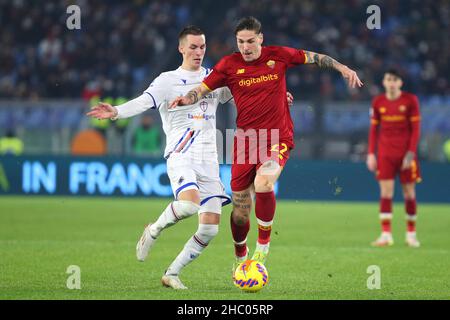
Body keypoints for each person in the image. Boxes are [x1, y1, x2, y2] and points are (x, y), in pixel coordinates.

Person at [87, 25, 294, 289]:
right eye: (193, 47)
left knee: (210, 228)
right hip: (181, 153)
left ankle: (171, 273)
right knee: (188, 205)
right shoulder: (167, 80)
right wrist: (115, 111)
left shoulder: (213, 77)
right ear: (181, 48)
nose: (199, 52)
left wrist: (277, 94)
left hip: (209, 159)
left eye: (202, 47)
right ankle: (153, 229)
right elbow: (143, 101)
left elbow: (246, 93)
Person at [170, 16, 363, 268]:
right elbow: (203, 89)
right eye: (241, 42)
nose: (246, 47)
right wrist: (187, 98)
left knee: (263, 183)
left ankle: (262, 246)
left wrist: (343, 68)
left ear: (260, 39)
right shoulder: (229, 64)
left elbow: (314, 57)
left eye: (251, 41)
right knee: (240, 213)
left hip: (277, 137)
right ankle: (240, 254)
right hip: (246, 141)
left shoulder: (279, 55)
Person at [367, 69, 421, 248]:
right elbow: (374, 131)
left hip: (405, 154)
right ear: (383, 82)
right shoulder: (378, 102)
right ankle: (386, 235)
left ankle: (411, 235)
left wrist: (411, 153)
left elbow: (416, 130)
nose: (391, 82)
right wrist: (370, 154)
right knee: (386, 193)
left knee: (409, 193)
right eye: (388, 79)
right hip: (385, 154)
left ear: (400, 83)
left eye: (394, 79)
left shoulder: (410, 100)